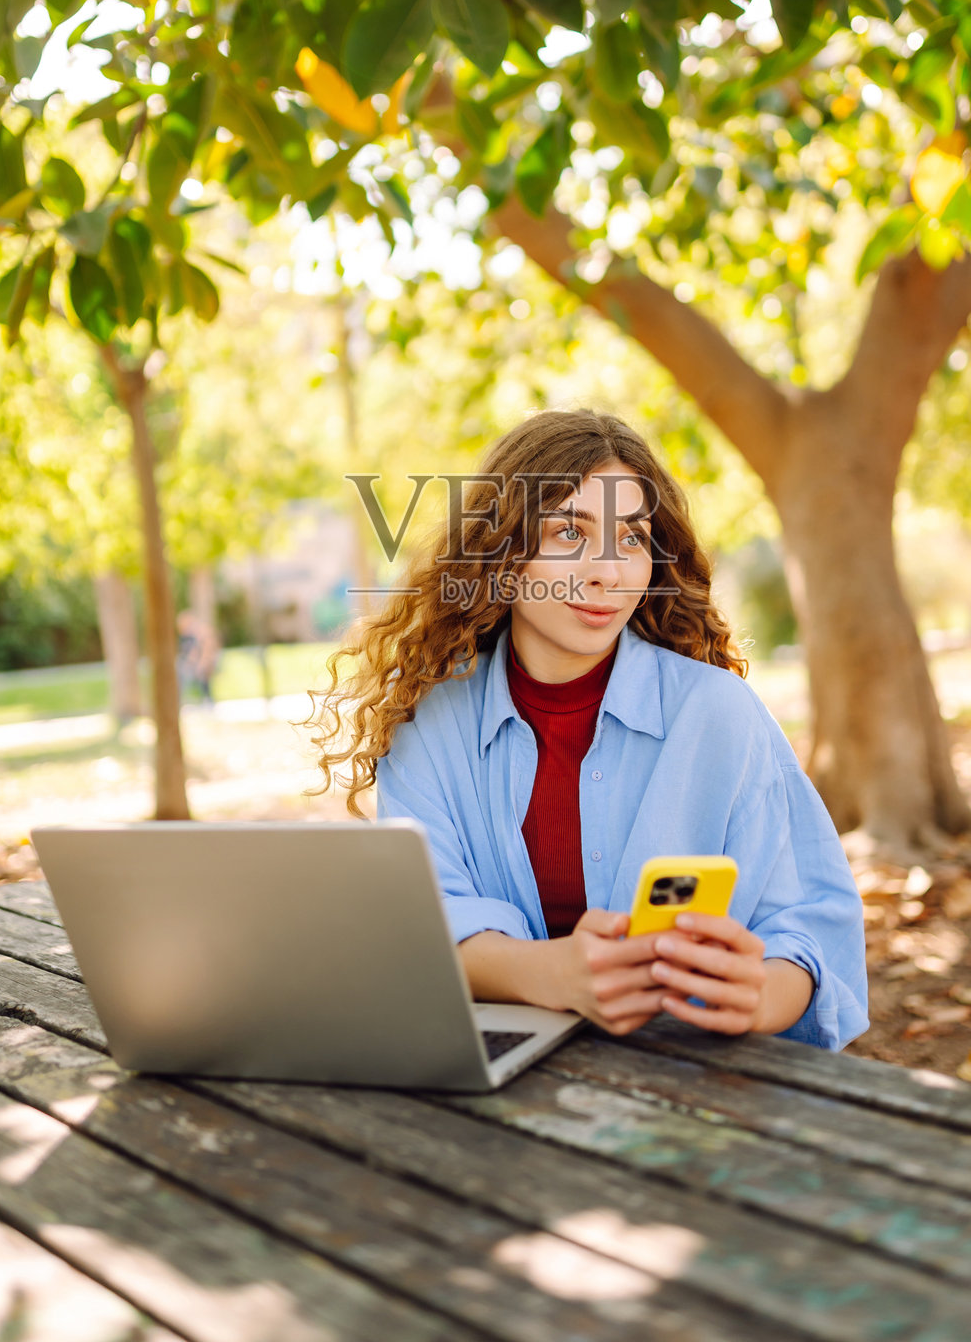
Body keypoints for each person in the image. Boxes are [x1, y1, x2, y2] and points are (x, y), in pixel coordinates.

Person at [311, 410, 868, 1050]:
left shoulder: (720, 714)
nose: (606, 571)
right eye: (569, 532)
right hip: (497, 1075)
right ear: (503, 551)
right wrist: (551, 974)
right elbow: (426, 920)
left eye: (631, 539)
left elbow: (810, 926)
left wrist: (758, 995)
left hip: (697, 1074)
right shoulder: (431, 727)